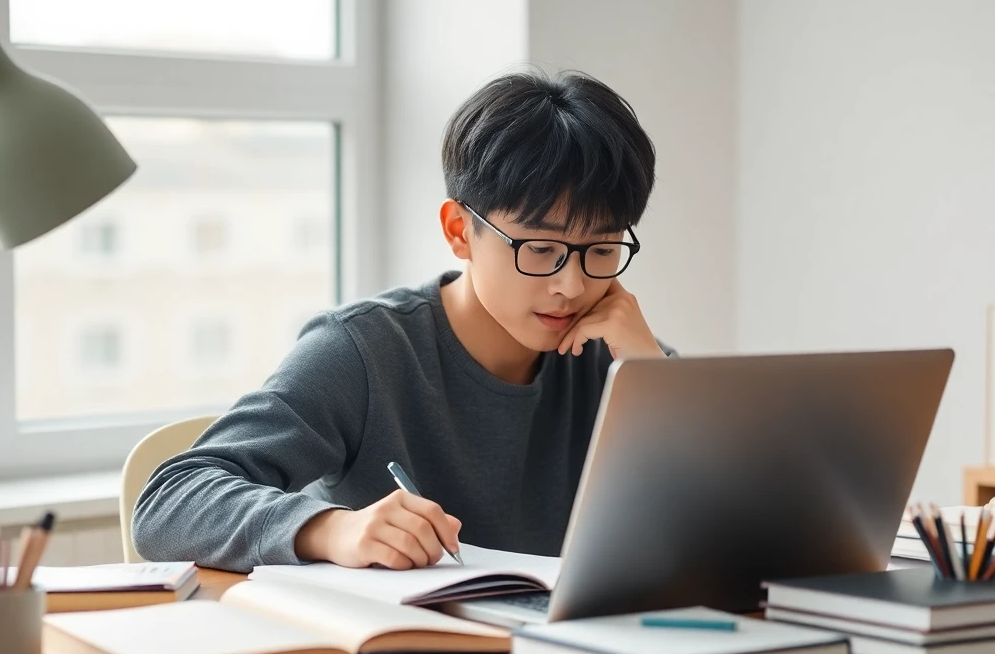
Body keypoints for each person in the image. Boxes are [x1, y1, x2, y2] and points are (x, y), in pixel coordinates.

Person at [132, 69, 670, 573]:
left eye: (601, 249)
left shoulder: (619, 357)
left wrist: (654, 381)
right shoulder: (363, 352)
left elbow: (739, 525)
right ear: (460, 230)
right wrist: (331, 530)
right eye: (541, 247)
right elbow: (169, 503)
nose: (571, 285)